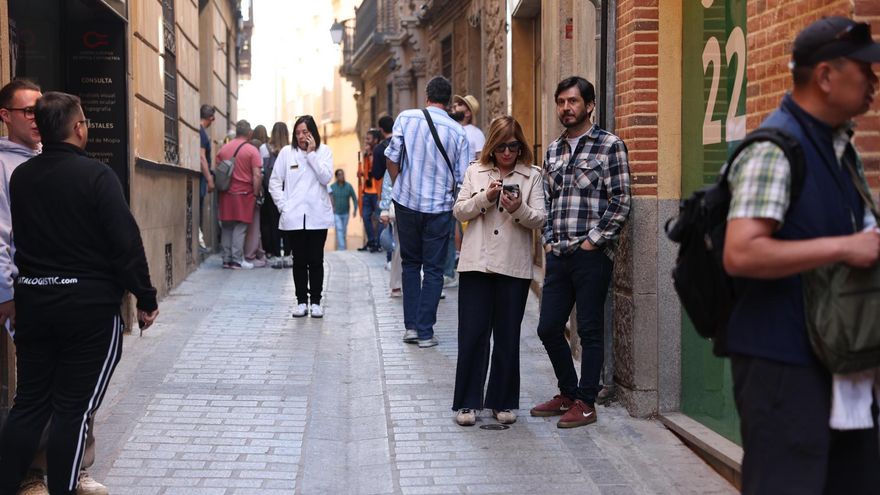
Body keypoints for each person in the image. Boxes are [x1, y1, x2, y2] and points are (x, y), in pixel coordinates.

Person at [722, 17, 880, 494]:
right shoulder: (776, 149)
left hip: (837, 365)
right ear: (826, 77)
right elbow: (741, 251)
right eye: (865, 71)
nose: (874, 82)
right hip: (784, 368)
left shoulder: (837, 146)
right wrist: (844, 247)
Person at [0, 91, 158, 495]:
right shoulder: (96, 176)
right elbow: (125, 241)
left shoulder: (22, 177)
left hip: (35, 303)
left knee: (30, 405)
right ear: (77, 128)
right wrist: (145, 296)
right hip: (87, 309)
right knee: (74, 409)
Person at [531, 76, 631, 428]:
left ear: (589, 105)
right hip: (558, 253)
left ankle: (586, 402)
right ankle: (568, 392)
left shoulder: (609, 146)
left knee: (589, 330)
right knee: (548, 328)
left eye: (573, 102)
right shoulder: (554, 150)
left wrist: (594, 240)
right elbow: (547, 199)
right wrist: (546, 239)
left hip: (590, 254)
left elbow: (620, 200)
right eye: (561, 102)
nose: (566, 108)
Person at [451, 116, 545, 426]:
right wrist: (485, 198)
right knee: (473, 334)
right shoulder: (474, 172)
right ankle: (467, 403)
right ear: (492, 146)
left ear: (521, 147)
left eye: (513, 146)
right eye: (502, 146)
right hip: (476, 264)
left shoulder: (532, 176)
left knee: (507, 336)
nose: (507, 153)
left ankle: (502, 400)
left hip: (513, 267)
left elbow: (540, 219)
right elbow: (459, 209)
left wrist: (518, 209)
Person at [385, 76, 470, 348]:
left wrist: (400, 185)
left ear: (427, 96)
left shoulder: (406, 118)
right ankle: (425, 332)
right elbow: (462, 176)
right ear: (448, 101)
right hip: (439, 208)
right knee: (433, 270)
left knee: (410, 264)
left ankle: (410, 327)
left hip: (406, 203)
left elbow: (392, 157)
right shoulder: (458, 132)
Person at [269, 115, 333, 318]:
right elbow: (274, 182)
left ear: (313, 132)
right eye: (297, 133)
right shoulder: (287, 153)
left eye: (305, 132)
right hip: (294, 216)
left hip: (317, 215)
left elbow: (325, 177)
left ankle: (315, 301)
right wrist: (284, 206)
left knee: (316, 259)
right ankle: (301, 302)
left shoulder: (324, 152)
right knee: (299, 261)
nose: (301, 136)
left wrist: (312, 155)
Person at [215, 120, 262, 270]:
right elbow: (257, 175)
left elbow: (218, 169)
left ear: (236, 132)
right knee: (240, 227)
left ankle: (226, 259)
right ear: (249, 133)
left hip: (226, 193)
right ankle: (236, 260)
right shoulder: (252, 151)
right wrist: (256, 193)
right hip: (244, 194)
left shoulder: (224, 149)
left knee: (227, 226)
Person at [261, 122, 289, 268]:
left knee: (273, 224)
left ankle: (277, 255)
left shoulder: (264, 149)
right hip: (289, 190)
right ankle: (289, 255)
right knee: (289, 222)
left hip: (271, 190)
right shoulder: (291, 150)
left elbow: (261, 171)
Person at [357, 129, 384, 252]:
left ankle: (378, 242)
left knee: (380, 218)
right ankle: (371, 241)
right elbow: (366, 172)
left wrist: (371, 156)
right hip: (367, 192)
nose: (366, 141)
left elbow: (376, 171)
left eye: (369, 139)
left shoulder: (380, 153)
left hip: (378, 193)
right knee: (366, 216)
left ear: (376, 140)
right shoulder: (366, 155)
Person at [378, 169, 401, 297]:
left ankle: (432, 282)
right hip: (403, 205)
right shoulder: (401, 148)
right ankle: (396, 284)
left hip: (431, 205)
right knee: (399, 247)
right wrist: (385, 208)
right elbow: (389, 177)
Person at [198, 105, 215, 251]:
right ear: (211, 118)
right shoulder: (202, 133)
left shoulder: (199, 132)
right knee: (199, 208)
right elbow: (202, 157)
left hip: (201, 178)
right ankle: (199, 242)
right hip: (201, 178)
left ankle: (200, 241)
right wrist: (209, 178)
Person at [451, 94, 485, 161]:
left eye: (460, 104)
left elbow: (482, 161)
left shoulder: (477, 133)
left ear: (467, 113)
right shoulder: (450, 129)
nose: (455, 105)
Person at [330, 169, 357, 250]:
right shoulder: (332, 187)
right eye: (339, 174)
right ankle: (342, 248)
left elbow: (354, 198)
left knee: (344, 231)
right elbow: (328, 199)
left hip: (346, 213)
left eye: (342, 174)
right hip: (336, 213)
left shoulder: (349, 186)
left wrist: (355, 209)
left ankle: (342, 246)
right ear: (336, 176)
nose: (341, 176)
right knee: (339, 229)